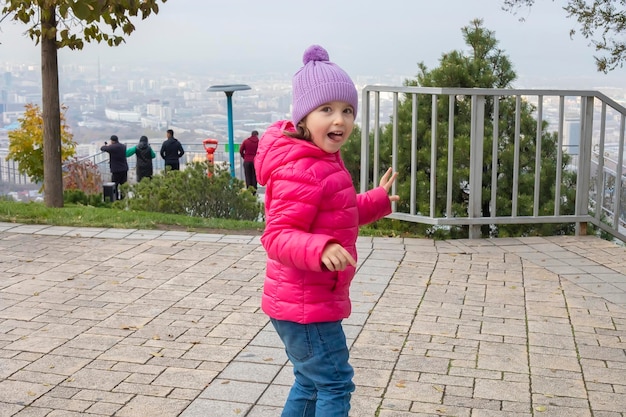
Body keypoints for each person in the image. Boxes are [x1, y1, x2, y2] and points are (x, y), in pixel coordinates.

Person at [254, 45, 399, 416]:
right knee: (335, 383)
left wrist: (379, 200)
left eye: (347, 110)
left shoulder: (322, 162)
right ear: (303, 117)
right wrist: (318, 248)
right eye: (327, 110)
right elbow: (277, 235)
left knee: (310, 381)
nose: (340, 119)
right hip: (306, 305)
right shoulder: (302, 168)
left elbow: (339, 212)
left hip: (304, 301)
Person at [100, 135, 128, 199]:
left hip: (116, 170)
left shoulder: (112, 147)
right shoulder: (123, 146)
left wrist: (107, 145)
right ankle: (123, 198)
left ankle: (116, 198)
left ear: (112, 141)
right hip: (124, 168)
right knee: (123, 185)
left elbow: (103, 148)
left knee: (115, 185)